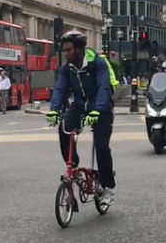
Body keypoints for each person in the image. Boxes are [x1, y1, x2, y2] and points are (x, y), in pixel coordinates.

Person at [46, 31, 116, 204]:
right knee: (63, 127)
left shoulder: (97, 64)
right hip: (79, 106)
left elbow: (104, 88)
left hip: (101, 108)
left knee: (101, 147)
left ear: (79, 49)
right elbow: (60, 89)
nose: (66, 54)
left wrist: (97, 110)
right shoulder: (66, 68)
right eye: (64, 50)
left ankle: (107, 187)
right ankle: (73, 166)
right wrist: (54, 110)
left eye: (69, 50)